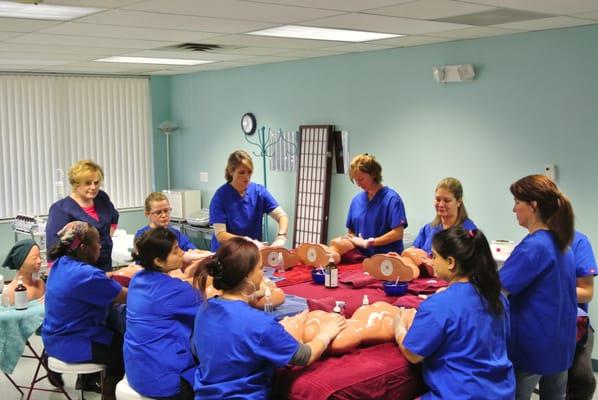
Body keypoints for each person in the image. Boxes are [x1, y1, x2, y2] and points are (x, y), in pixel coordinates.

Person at [193, 237, 346, 399]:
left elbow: (200, 349)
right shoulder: (259, 323)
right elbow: (304, 356)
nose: (263, 272)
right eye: (260, 268)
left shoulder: (205, 308)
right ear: (246, 277)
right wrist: (326, 334)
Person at [396, 227, 514, 399]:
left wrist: (399, 330)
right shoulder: (498, 298)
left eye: (434, 256)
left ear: (451, 262)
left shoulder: (439, 305)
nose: (431, 261)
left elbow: (414, 354)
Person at [499, 174, 576, 400]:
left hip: (531, 348)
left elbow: (497, 289)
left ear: (533, 205)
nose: (514, 209)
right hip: (560, 345)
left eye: (517, 202)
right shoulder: (563, 246)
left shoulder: (534, 247)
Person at [42, 221, 127, 399]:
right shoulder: (87, 276)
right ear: (83, 248)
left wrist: (105, 279)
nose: (100, 246)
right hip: (74, 344)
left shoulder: (60, 264)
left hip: (51, 340)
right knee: (128, 348)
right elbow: (129, 297)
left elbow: (86, 284)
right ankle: (111, 394)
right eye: (97, 242)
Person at [125, 227, 202, 400]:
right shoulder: (173, 290)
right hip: (165, 380)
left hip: (137, 370)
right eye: (176, 251)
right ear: (159, 261)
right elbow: (209, 308)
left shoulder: (138, 280)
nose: (182, 253)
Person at [329, 153, 408, 263]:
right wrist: (350, 240)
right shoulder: (356, 201)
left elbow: (398, 233)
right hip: (361, 261)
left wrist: (370, 242)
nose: (358, 184)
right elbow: (351, 231)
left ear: (373, 174)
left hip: (387, 262)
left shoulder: (392, 199)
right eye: (355, 180)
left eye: (361, 179)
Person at [46, 160, 119, 272]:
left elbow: (114, 217)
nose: (93, 187)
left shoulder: (101, 198)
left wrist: (105, 239)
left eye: (96, 182)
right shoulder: (61, 209)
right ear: (76, 184)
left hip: (105, 263)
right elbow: (53, 245)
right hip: (79, 269)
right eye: (88, 183)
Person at [209, 150, 288, 251]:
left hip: (250, 254)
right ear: (231, 171)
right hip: (227, 254)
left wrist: (281, 236)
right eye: (241, 172)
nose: (246, 177)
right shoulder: (220, 196)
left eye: (249, 172)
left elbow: (282, 216)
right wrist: (246, 241)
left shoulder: (259, 192)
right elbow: (221, 235)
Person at [412, 177, 476, 255]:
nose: (441, 204)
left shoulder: (469, 232)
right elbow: (413, 254)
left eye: (446, 200)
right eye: (438, 199)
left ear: (459, 202)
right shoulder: (428, 229)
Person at [568, 231, 597, 400]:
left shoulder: (578, 242)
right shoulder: (531, 243)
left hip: (575, 323)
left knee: (583, 379)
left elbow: (587, 292)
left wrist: (552, 289)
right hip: (540, 322)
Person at [2, 239, 45, 304]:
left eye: (40, 257)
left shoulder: (40, 284)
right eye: (34, 258)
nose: (39, 261)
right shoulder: (10, 292)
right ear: (21, 262)